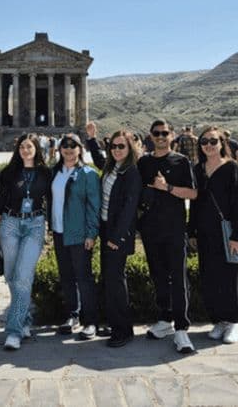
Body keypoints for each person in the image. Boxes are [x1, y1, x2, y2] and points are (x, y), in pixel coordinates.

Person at [137, 119, 197, 353]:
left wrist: (167, 188)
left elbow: (193, 193)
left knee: (177, 277)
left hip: (174, 228)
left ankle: (181, 328)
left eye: (164, 133)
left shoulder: (180, 162)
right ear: (150, 136)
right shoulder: (144, 162)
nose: (160, 137)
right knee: (158, 275)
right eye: (156, 133)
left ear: (172, 135)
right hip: (151, 229)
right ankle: (165, 319)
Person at [188, 125, 238, 345]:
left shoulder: (233, 169)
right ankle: (219, 320)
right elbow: (195, 203)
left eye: (213, 141)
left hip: (227, 232)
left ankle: (232, 322)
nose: (209, 146)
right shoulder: (198, 169)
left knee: (229, 277)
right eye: (204, 142)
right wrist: (191, 230)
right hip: (205, 232)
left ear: (222, 143)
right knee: (210, 276)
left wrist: (236, 235)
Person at [0, 134, 51, 350]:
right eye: (22, 146)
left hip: (34, 224)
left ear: (37, 148)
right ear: (17, 149)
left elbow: (54, 198)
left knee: (23, 277)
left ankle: (13, 331)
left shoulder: (46, 173)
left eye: (29, 146)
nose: (26, 150)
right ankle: (25, 318)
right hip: (10, 223)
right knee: (11, 276)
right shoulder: (9, 172)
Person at [50, 133, 101, 339]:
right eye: (65, 145)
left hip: (79, 233)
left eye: (73, 146)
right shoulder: (56, 172)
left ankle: (91, 321)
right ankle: (73, 315)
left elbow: (93, 206)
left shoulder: (88, 174)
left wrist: (91, 233)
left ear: (80, 149)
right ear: (59, 149)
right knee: (67, 276)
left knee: (84, 277)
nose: (69, 149)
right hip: (58, 231)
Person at [98, 130, 142, 347]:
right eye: (113, 146)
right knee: (108, 278)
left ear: (130, 148)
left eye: (121, 146)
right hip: (106, 228)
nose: (116, 150)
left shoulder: (132, 172)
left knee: (116, 281)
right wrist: (90, 138)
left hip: (118, 233)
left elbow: (129, 208)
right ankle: (113, 322)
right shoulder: (112, 166)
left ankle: (123, 330)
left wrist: (117, 237)